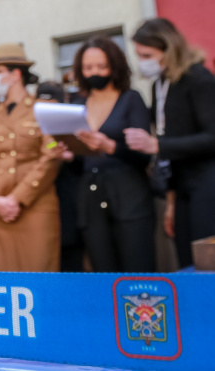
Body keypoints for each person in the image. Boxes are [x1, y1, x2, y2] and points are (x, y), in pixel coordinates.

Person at [125, 18, 215, 268]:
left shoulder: (198, 78)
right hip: (180, 186)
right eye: (139, 55)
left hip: (207, 185)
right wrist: (171, 203)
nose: (142, 61)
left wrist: (158, 146)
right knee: (187, 263)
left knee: (207, 262)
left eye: (147, 55)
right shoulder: (160, 85)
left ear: (169, 49)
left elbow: (212, 137)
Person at [65, 38, 156, 272]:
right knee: (103, 271)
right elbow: (81, 163)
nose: (94, 72)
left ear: (114, 66)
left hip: (129, 194)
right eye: (88, 67)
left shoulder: (130, 98)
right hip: (91, 197)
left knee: (138, 269)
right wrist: (68, 157)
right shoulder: (77, 103)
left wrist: (110, 147)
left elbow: (144, 156)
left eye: (101, 66)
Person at [0, 44, 62, 272]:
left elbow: (51, 154)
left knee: (38, 276)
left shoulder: (43, 109)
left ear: (15, 74)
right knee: (1, 281)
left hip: (34, 205)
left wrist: (17, 199)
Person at [35, 81, 85, 272]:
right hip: (41, 203)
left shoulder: (70, 121)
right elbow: (47, 145)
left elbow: (79, 154)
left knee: (71, 260)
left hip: (69, 204)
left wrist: (64, 152)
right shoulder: (30, 122)